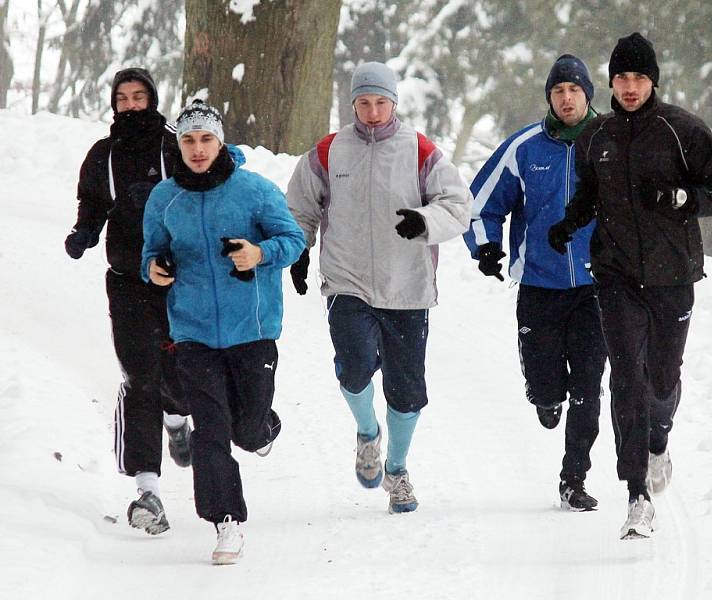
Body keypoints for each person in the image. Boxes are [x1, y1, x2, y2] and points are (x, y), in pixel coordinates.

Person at [548, 33, 712, 539]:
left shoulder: (682, 131)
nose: (630, 87)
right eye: (622, 78)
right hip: (615, 276)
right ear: (610, 83)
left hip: (673, 275)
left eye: (639, 78)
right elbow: (590, 193)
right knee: (626, 377)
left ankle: (659, 438)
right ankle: (636, 495)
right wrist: (570, 223)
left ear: (653, 81)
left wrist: (680, 197)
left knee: (662, 377)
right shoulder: (597, 137)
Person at [286, 61, 472, 514]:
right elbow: (300, 207)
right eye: (364, 103)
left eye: (381, 102)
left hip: (406, 285)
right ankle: (367, 433)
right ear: (352, 104)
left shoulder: (420, 150)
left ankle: (397, 467)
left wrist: (424, 221)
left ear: (394, 103)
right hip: (347, 281)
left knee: (406, 391)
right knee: (352, 369)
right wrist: (300, 249)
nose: (372, 112)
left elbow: (459, 206)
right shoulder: (328, 152)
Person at [142, 99, 305, 564]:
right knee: (211, 429)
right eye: (188, 140)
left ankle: (262, 427)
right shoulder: (164, 197)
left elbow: (292, 240)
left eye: (205, 139)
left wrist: (259, 253)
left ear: (220, 141)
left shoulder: (254, 190)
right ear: (178, 144)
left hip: (251, 328)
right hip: (192, 332)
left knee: (246, 431)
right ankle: (226, 521)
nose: (197, 149)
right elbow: (150, 253)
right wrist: (156, 269)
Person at [464, 55, 607, 512]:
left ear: (589, 95)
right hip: (539, 285)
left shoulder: (611, 144)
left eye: (575, 90)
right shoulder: (525, 147)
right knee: (548, 386)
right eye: (558, 91)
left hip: (596, 288)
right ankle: (545, 397)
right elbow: (478, 203)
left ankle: (574, 478)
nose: (567, 98)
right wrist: (485, 246)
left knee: (589, 384)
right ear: (549, 97)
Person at [64, 67, 192, 535]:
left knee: (179, 372)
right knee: (139, 375)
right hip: (126, 279)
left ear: (153, 98)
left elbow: (206, 183)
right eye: (124, 98)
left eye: (140, 96)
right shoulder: (103, 155)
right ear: (114, 104)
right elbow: (92, 202)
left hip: (179, 277)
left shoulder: (175, 144)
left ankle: (178, 419)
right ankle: (147, 490)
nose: (132, 105)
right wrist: (84, 233)